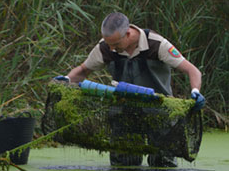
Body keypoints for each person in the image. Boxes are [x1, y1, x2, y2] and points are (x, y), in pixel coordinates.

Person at [55, 12, 205, 167]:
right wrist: (67, 79)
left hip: (160, 113)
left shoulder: (157, 44)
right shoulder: (105, 47)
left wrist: (195, 91)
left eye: (116, 44)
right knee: (123, 164)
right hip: (123, 114)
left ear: (128, 34)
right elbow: (83, 70)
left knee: (162, 163)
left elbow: (192, 70)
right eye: (109, 44)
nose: (112, 48)